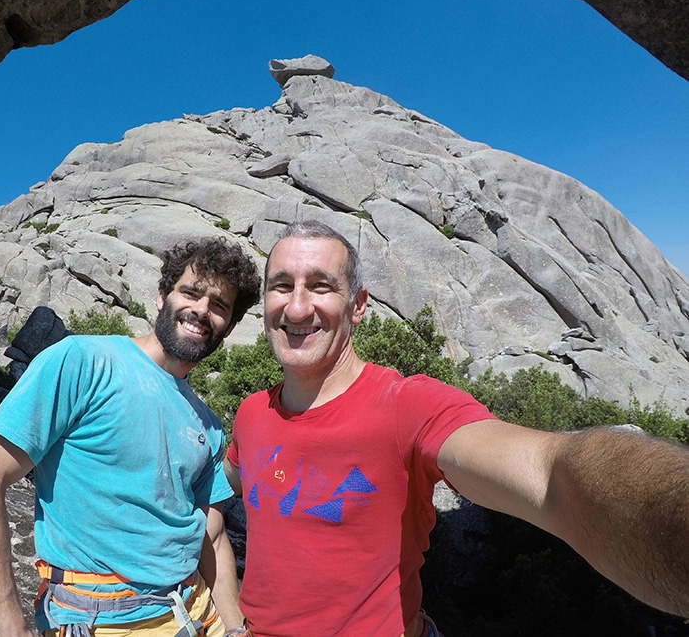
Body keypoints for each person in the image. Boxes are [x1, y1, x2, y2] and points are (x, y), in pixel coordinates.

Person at [224, 220, 689, 637]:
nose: (298, 307)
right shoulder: (250, 414)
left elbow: (551, 476)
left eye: (321, 286)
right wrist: (228, 622)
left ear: (358, 305)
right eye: (281, 286)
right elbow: (220, 503)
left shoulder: (406, 406)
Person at [0, 237, 261, 637]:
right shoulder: (82, 360)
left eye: (219, 305)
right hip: (101, 619)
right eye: (190, 292)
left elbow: (214, 533)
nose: (202, 310)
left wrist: (236, 628)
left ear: (230, 325)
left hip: (200, 613)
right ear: (161, 296)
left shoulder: (208, 423)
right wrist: (8, 627)